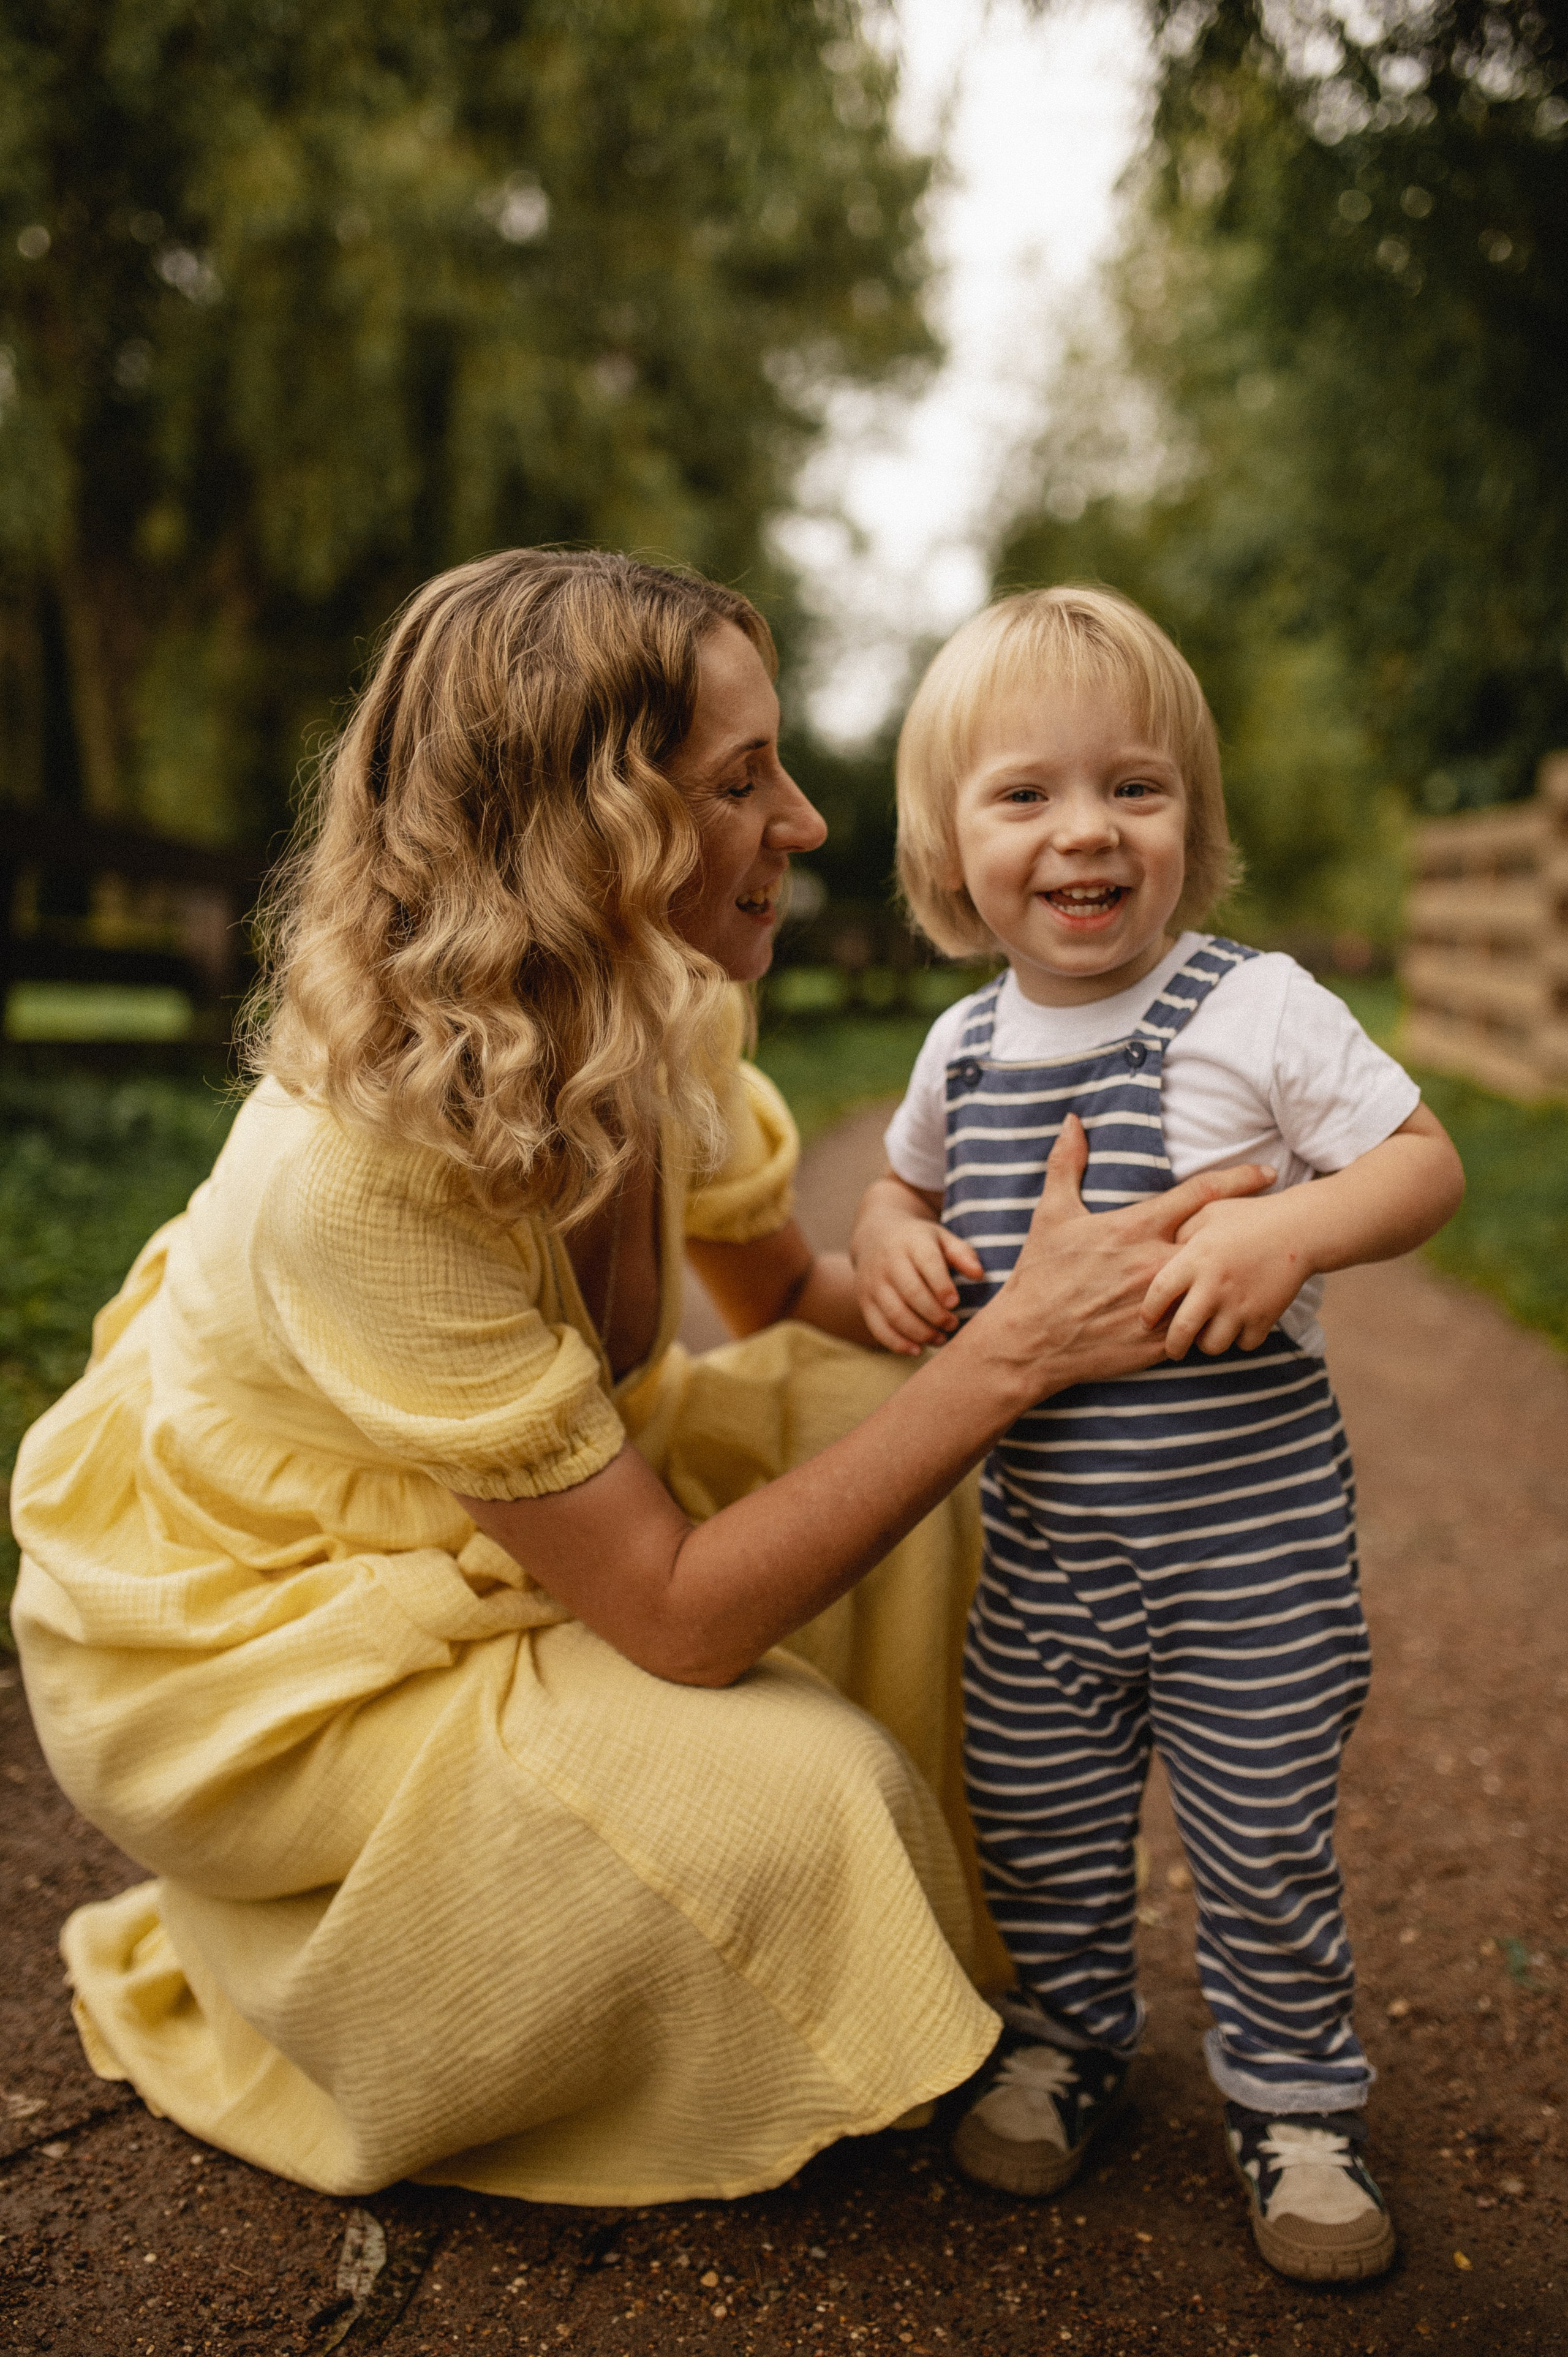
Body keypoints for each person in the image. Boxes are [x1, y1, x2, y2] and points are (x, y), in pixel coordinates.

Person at [8, 551, 1276, 2206]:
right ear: (583, 832)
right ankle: (291, 1968)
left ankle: (893, 1963)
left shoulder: (657, 1004)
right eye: (744, 783)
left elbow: (802, 1307)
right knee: (811, 1807)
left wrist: (1030, 1281)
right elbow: (678, 1612)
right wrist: (1022, 1349)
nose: (806, 826)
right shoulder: (359, 1174)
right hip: (272, 1644)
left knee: (874, 1421)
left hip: (515, 1536)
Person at [850, 585, 1464, 2283]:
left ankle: (1297, 2103)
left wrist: (1291, 1233)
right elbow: (900, 1183)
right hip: (1047, 1555)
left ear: (1192, 822)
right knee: (1040, 1818)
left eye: (1136, 786)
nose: (1085, 832)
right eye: (1024, 795)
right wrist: (893, 1241)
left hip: (1248, 1555)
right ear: (947, 846)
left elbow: (1421, 1161)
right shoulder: (959, 1048)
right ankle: (1069, 2038)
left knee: (1259, 1832)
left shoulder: (1252, 1008)